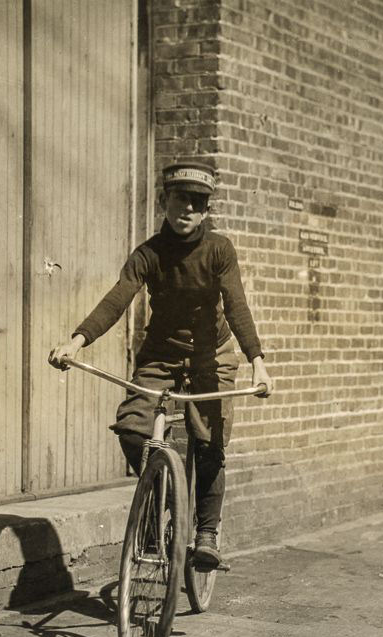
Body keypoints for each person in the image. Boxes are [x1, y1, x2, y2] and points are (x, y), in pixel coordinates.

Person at [48, 160, 272, 570]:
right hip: (161, 356)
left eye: (197, 202)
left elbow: (236, 304)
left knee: (209, 445)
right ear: (164, 202)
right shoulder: (149, 253)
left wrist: (256, 360)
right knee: (133, 427)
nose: (187, 209)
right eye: (179, 199)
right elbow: (117, 299)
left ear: (206, 210)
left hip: (212, 357)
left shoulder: (219, 249)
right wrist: (76, 341)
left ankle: (205, 533)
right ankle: (159, 503)